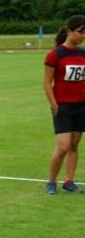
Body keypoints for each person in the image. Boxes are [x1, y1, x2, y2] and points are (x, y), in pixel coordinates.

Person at [44, 15, 85, 195]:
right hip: (63, 107)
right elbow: (47, 83)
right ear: (69, 31)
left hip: (81, 106)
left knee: (74, 145)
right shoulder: (55, 54)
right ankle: (51, 182)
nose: (83, 36)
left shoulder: (83, 53)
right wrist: (55, 106)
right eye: (81, 32)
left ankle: (69, 181)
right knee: (63, 146)